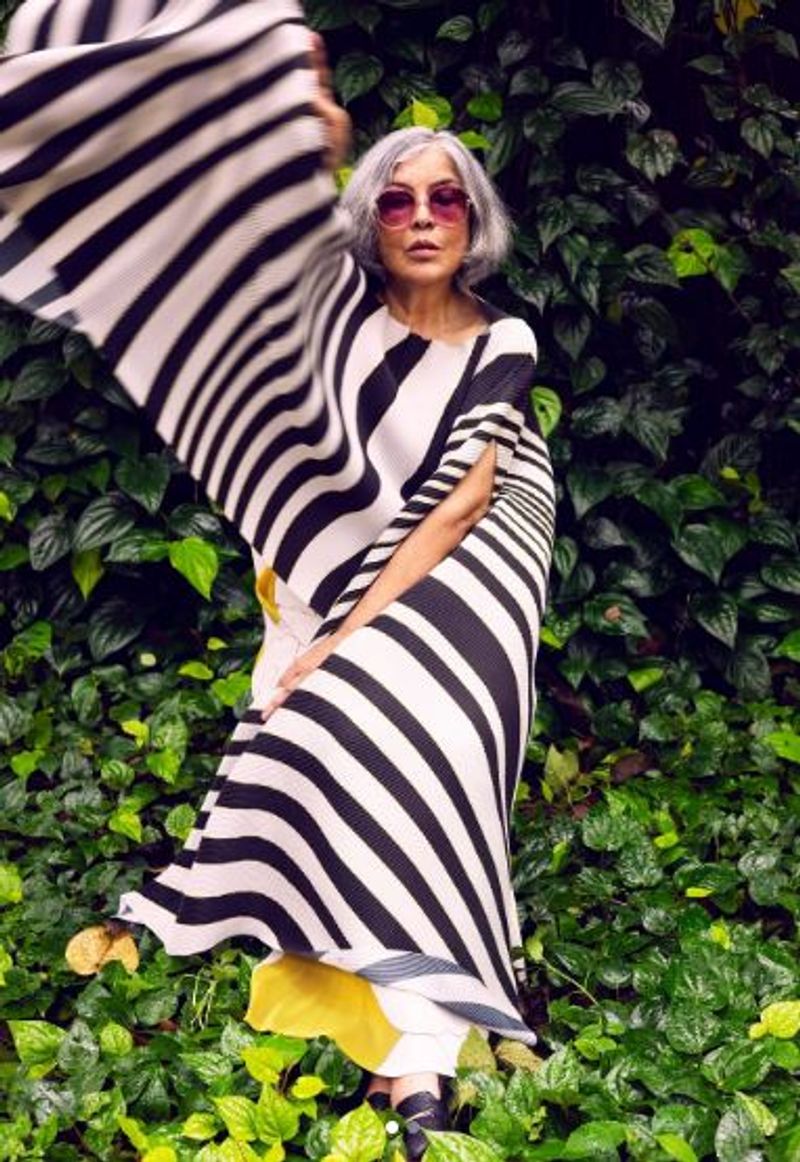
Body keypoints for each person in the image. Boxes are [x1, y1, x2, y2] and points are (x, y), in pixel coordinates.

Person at [0, 3, 555, 1157]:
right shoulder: (335, 318)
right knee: (328, 766)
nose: (420, 218)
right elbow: (253, 228)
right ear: (370, 220)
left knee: (407, 751)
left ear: (473, 221)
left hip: (452, 595)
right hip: (322, 583)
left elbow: (461, 505)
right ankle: (395, 1049)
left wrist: (344, 640)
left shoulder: (499, 344)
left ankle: (417, 1062)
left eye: (444, 199)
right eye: (394, 200)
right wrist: (287, 98)